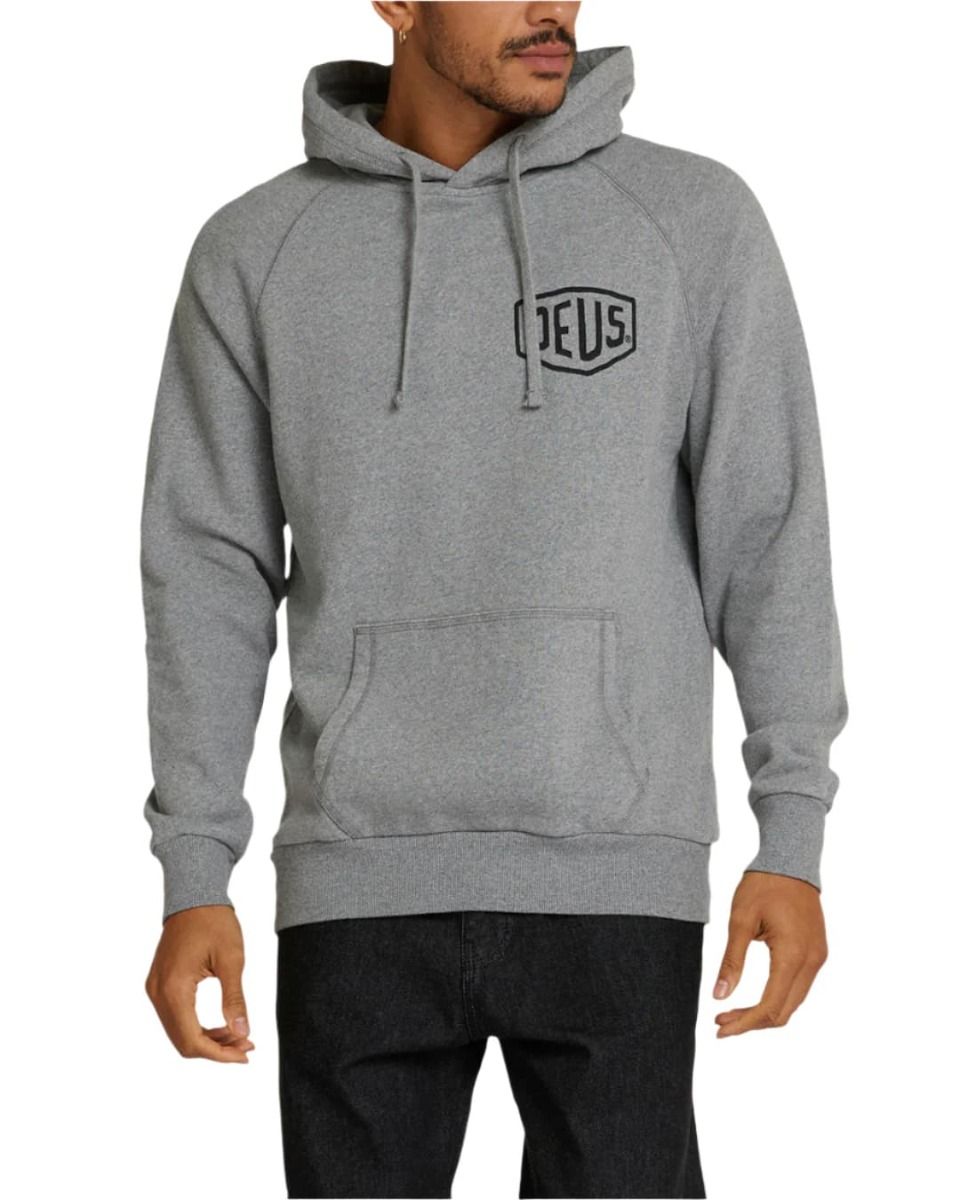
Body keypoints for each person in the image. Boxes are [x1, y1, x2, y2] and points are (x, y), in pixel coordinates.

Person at [140, 3, 848, 1196]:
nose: (553, 6)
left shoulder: (690, 219)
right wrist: (193, 869)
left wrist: (795, 839)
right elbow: (208, 567)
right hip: (358, 876)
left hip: (616, 866)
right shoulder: (256, 248)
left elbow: (770, 532)